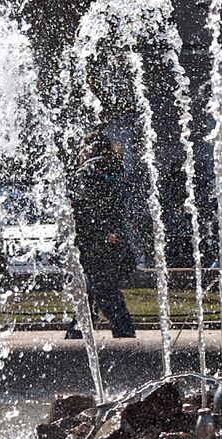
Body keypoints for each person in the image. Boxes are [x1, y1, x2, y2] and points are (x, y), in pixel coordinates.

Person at [66, 134, 138, 339]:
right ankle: (77, 339)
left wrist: (100, 232)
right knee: (94, 294)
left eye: (82, 147)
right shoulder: (116, 170)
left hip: (97, 243)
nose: (79, 153)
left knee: (105, 294)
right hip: (110, 243)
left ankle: (126, 344)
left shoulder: (90, 170)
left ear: (93, 148)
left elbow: (85, 205)